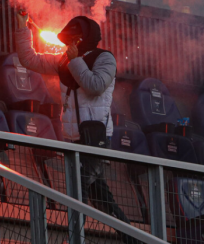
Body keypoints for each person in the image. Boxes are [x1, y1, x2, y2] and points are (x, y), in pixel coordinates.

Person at [14, 14, 139, 244]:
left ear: (86, 38)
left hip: (95, 140)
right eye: (68, 40)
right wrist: (23, 29)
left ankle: (74, 239)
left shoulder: (105, 58)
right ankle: (133, 239)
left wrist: (75, 61)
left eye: (74, 39)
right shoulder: (65, 60)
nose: (69, 44)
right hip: (73, 139)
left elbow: (95, 86)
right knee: (102, 200)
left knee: (77, 190)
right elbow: (30, 60)